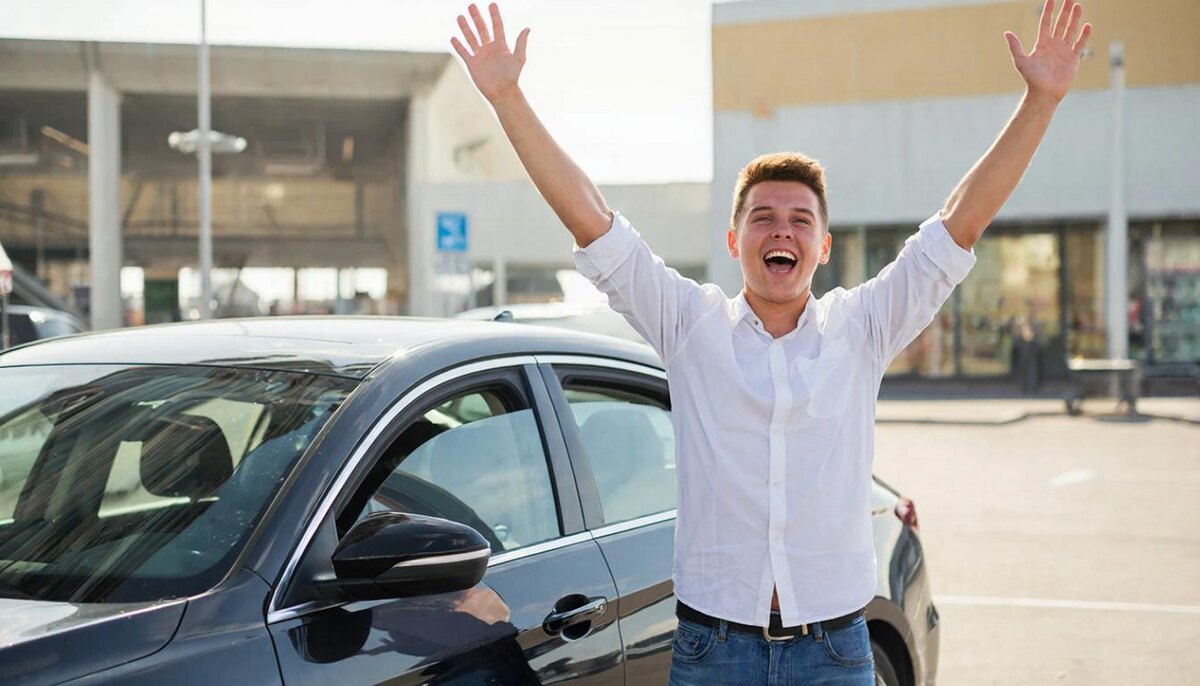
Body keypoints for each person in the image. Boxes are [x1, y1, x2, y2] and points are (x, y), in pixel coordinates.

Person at [451, 2, 1092, 684]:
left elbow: (958, 224)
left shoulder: (863, 328)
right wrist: (508, 97)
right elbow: (594, 223)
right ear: (735, 241)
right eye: (763, 217)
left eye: (799, 220)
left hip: (835, 653)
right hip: (713, 651)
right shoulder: (689, 326)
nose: (781, 230)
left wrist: (1041, 102)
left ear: (823, 246)